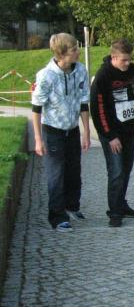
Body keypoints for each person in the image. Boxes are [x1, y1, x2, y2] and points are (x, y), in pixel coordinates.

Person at [31, 33, 91, 232]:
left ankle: (72, 206)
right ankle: (57, 217)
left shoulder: (80, 70)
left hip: (72, 130)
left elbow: (84, 102)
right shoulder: (46, 76)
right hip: (53, 132)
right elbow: (36, 108)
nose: (78, 52)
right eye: (74, 49)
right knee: (56, 175)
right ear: (62, 53)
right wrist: (38, 139)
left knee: (74, 172)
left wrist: (86, 132)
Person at [90, 39, 134, 227]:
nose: (128, 63)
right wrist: (110, 136)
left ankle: (121, 204)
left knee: (126, 169)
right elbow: (98, 109)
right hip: (111, 132)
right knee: (116, 171)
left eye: (129, 59)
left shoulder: (132, 71)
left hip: (129, 129)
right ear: (113, 57)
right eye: (124, 60)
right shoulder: (103, 76)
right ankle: (114, 212)